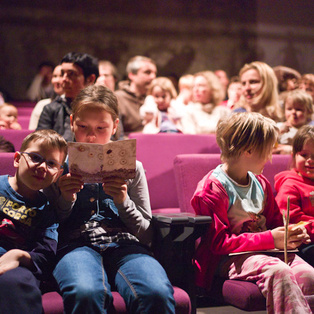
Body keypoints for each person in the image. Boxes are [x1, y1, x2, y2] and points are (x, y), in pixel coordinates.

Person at [45, 85, 175, 313]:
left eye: (101, 128)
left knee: (156, 293)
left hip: (125, 244)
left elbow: (146, 234)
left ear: (115, 126)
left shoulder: (134, 167)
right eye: (83, 127)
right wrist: (65, 199)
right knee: (86, 293)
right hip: (75, 245)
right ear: (72, 122)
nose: (91, 136)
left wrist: (123, 201)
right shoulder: (56, 166)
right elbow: (47, 230)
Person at [191, 112, 314, 313]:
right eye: (267, 151)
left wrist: (289, 234)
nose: (271, 158)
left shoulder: (261, 182)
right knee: (279, 271)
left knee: (308, 275)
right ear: (248, 150)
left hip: (265, 252)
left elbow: (274, 224)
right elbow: (218, 243)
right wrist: (269, 239)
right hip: (228, 258)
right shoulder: (213, 188)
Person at [0, 129, 67, 313]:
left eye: (52, 163)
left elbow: (46, 256)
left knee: (15, 283)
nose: (43, 167)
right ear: (16, 159)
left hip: (16, 269)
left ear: (58, 174)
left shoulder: (47, 210)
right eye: (35, 157)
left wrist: (18, 255)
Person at [275, 125, 314, 267]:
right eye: (304, 155)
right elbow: (290, 221)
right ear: (293, 155)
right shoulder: (290, 185)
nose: (310, 160)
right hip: (301, 244)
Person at [37, 52, 99, 141]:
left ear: (90, 79)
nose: (64, 79)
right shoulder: (51, 109)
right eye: (62, 74)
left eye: (71, 74)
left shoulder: (104, 109)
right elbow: (40, 144)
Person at [115, 56, 157, 136]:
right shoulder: (118, 98)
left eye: (155, 73)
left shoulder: (156, 98)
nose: (153, 77)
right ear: (132, 75)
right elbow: (117, 137)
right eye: (147, 72)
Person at [274, 89, 313, 154]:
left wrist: (290, 149)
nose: (293, 112)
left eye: (298, 109)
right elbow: (270, 145)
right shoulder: (278, 126)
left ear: (309, 112)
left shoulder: (310, 130)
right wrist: (279, 133)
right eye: (289, 109)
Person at [29, 64, 64, 130]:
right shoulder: (42, 105)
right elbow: (33, 134)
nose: (57, 80)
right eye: (55, 76)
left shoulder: (79, 105)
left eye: (61, 76)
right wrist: (40, 76)